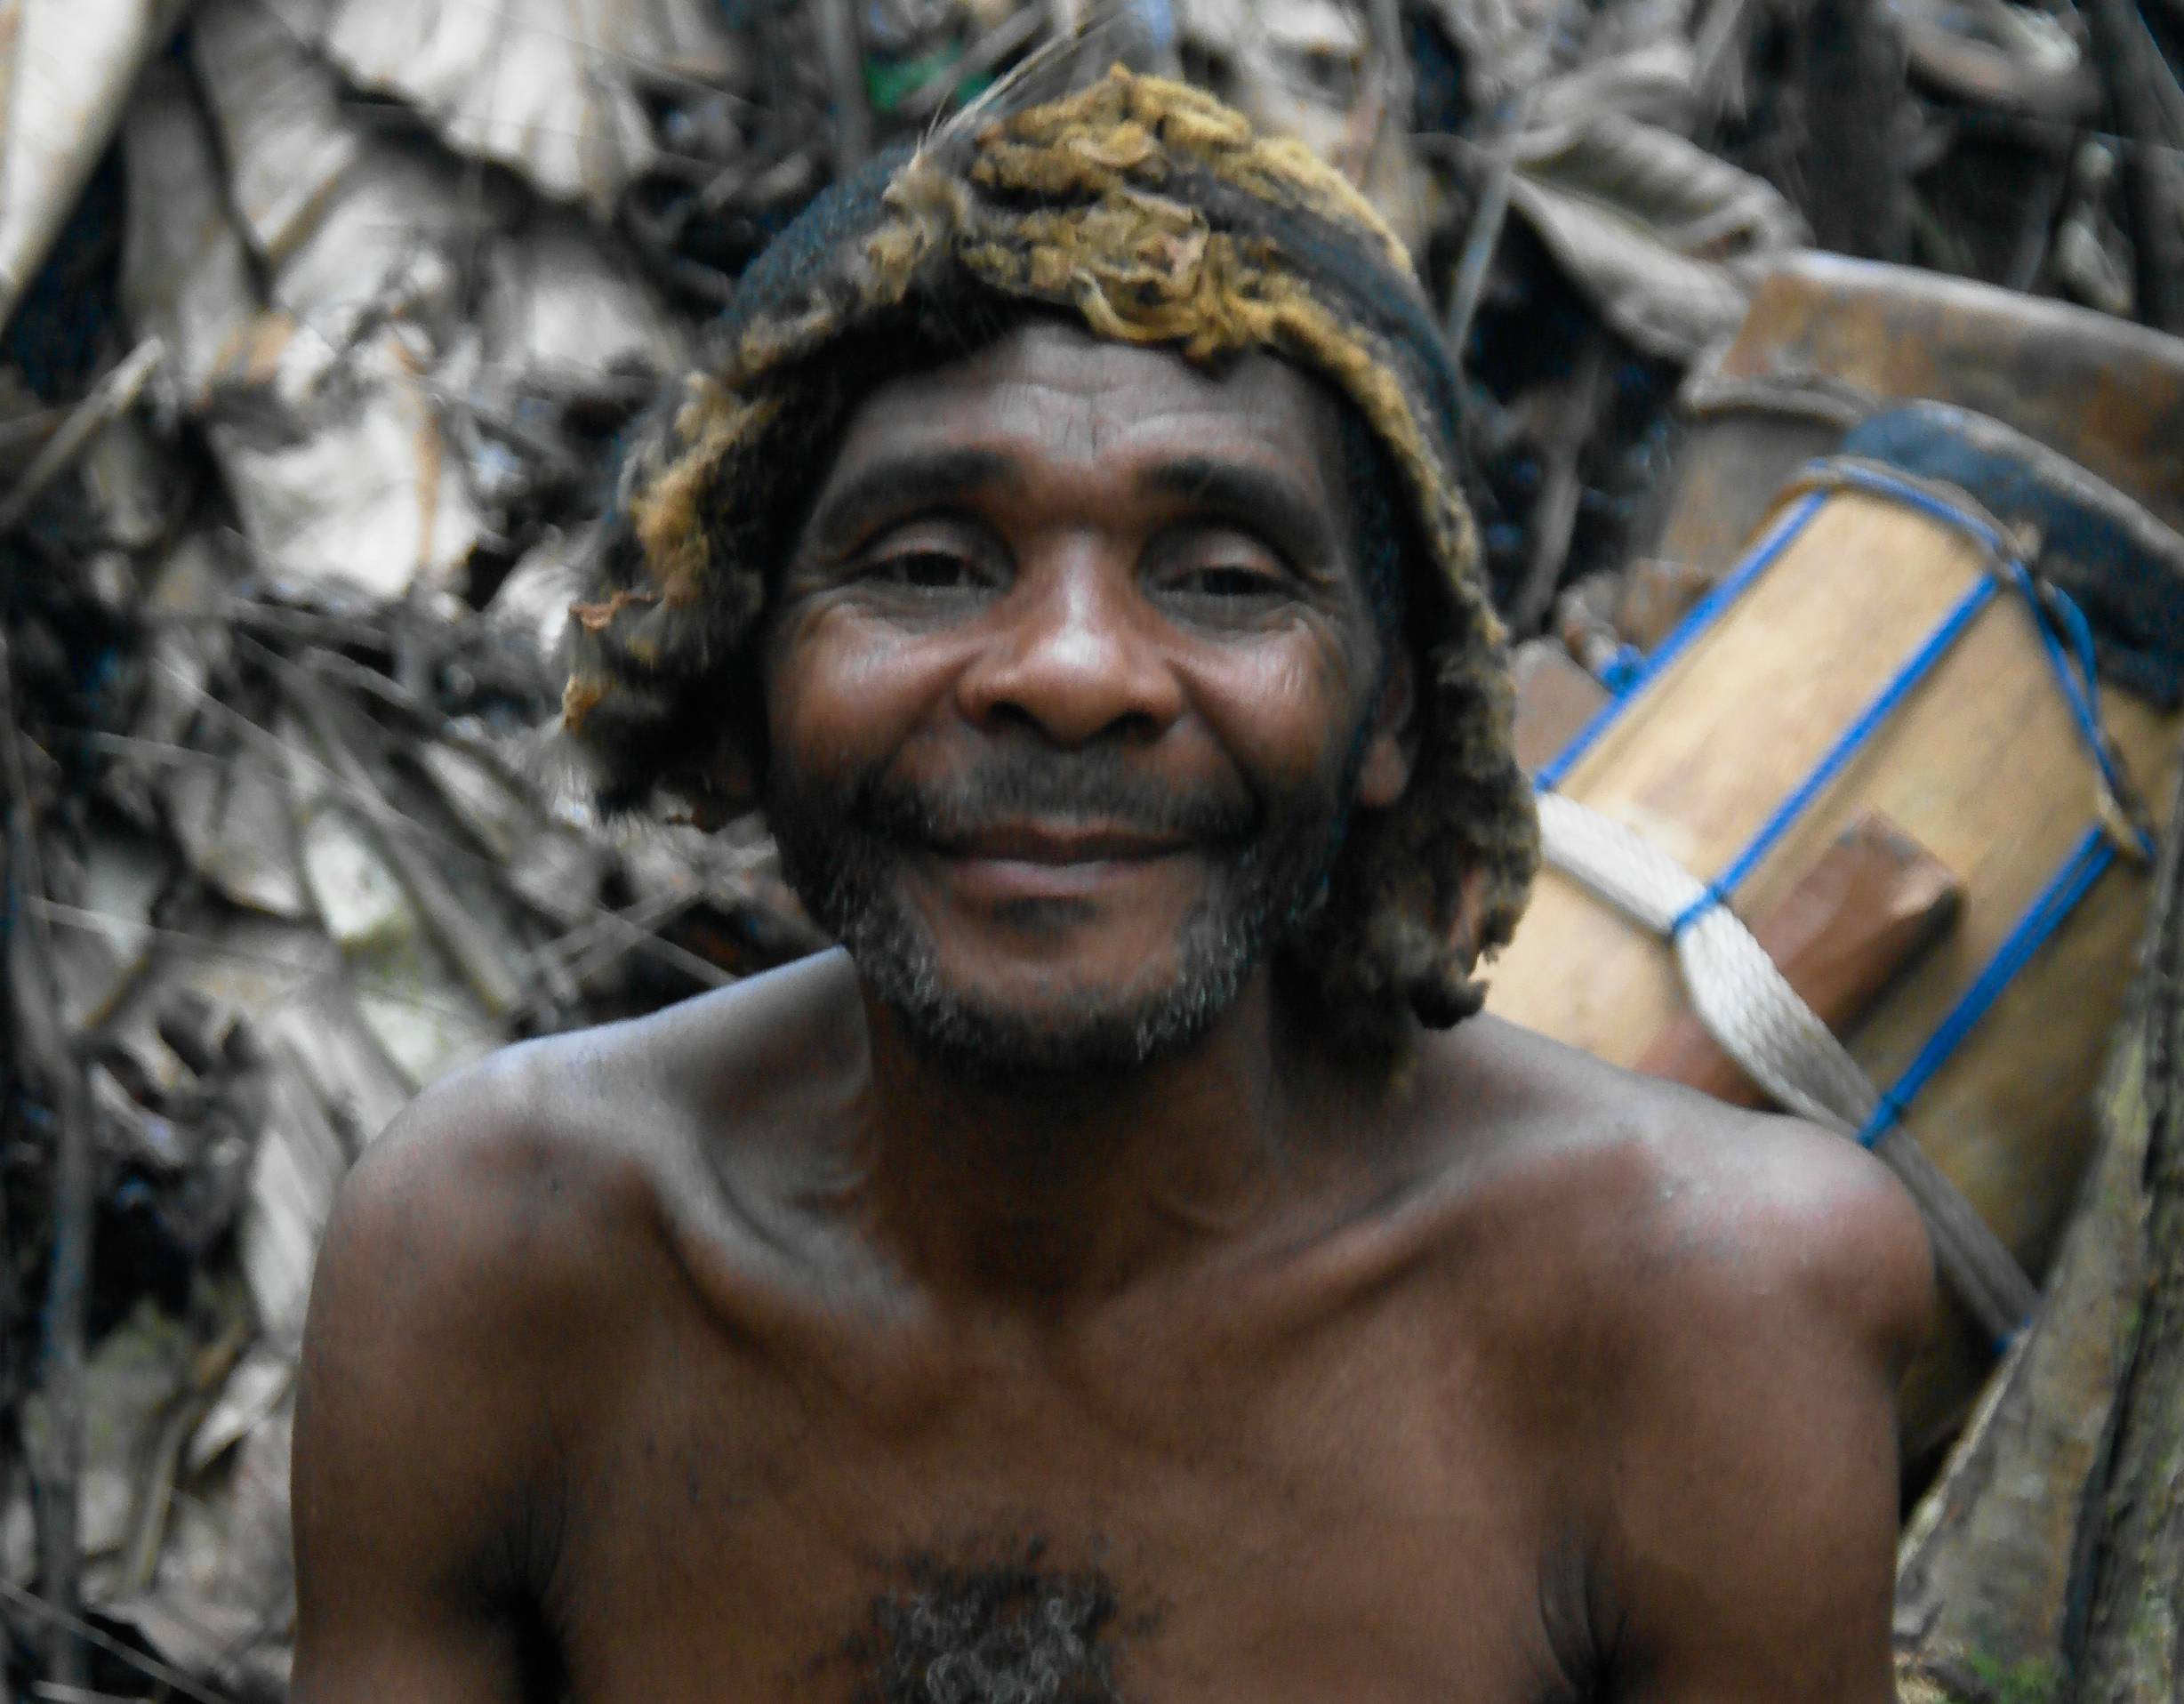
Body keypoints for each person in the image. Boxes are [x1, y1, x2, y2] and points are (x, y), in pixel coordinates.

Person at [289, 68, 1933, 1703]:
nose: (1072, 674)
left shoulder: (1705, 1313)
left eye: (1221, 580)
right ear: (735, 670)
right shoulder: (498, 1268)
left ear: (1394, 714)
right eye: (929, 565)